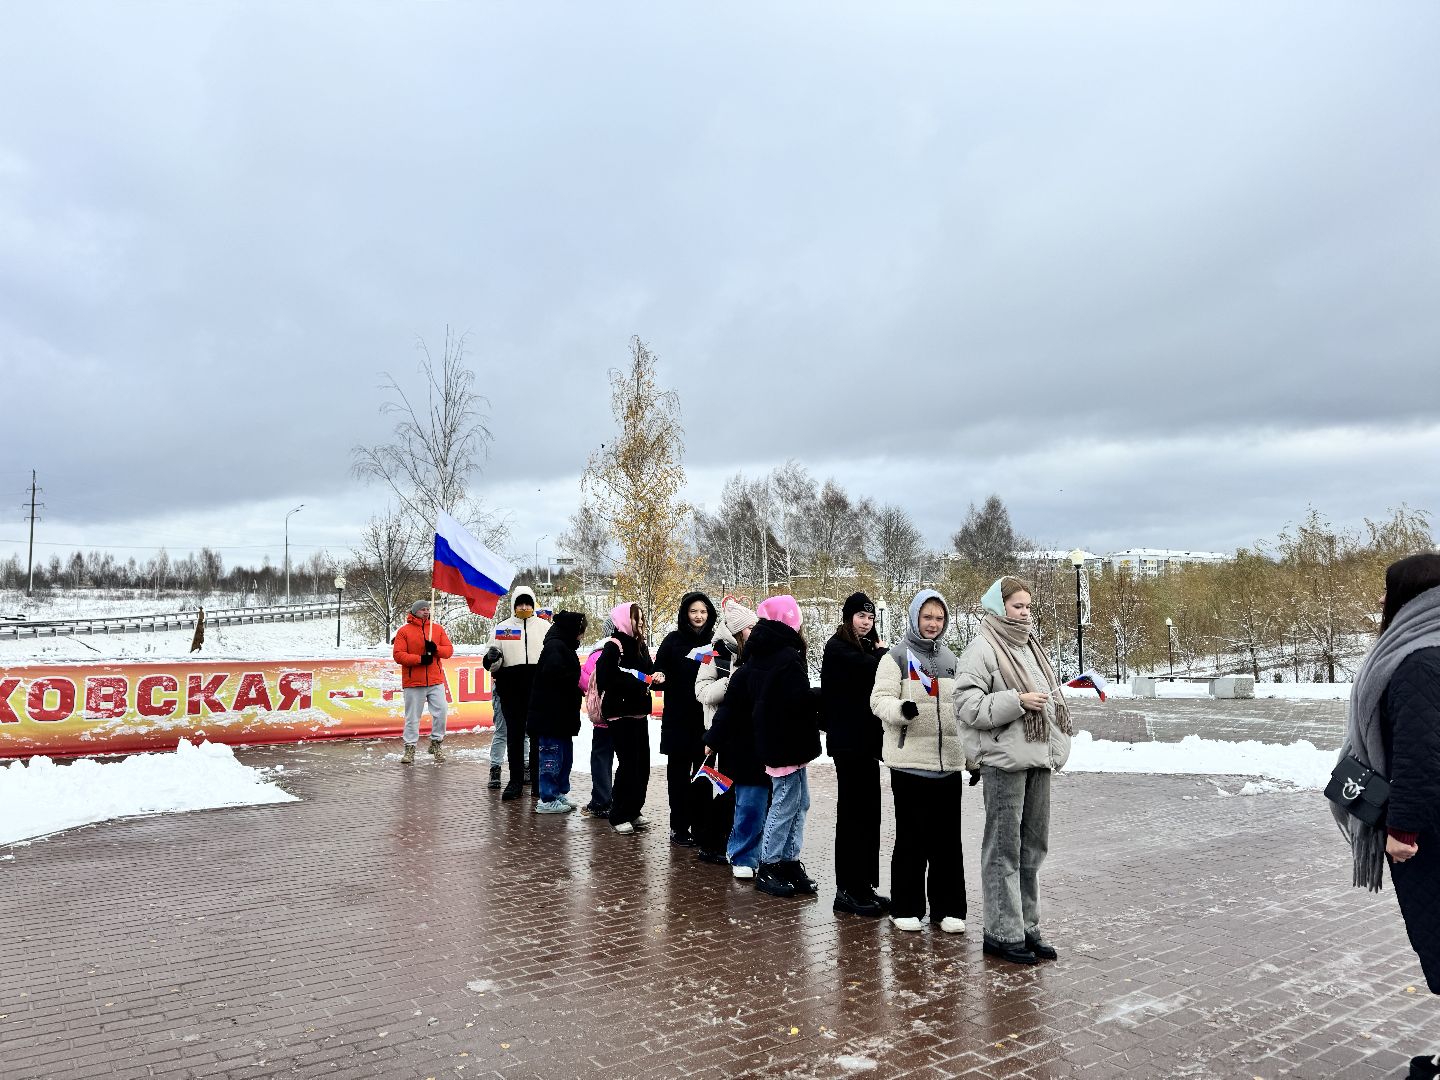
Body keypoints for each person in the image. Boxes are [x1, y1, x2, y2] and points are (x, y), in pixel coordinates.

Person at [1332, 553, 1440, 1079]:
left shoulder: (1420, 659)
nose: (1381, 600)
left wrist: (1400, 831)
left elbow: (1420, 759)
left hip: (1430, 836)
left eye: (1387, 589)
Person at [955, 576, 1072, 965]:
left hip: (1038, 759)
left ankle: (1027, 925)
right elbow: (968, 706)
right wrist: (1016, 700)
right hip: (1005, 763)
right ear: (998, 607)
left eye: (1028, 607)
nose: (1025, 613)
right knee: (1003, 849)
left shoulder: (1031, 648)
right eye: (1018, 606)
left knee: (1033, 847)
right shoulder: (982, 648)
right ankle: (1001, 932)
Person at [869, 589, 968, 934]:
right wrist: (901, 711)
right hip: (910, 763)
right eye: (927, 617)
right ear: (915, 617)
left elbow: (962, 713)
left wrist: (971, 758)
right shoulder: (894, 658)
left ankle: (948, 910)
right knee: (912, 838)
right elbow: (879, 700)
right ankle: (906, 907)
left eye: (939, 618)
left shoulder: (952, 660)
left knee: (947, 842)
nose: (933, 624)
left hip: (948, 766)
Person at [823, 592, 891, 918]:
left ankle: (864, 885)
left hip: (866, 745)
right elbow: (867, 670)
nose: (866, 622)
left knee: (869, 814)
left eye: (871, 618)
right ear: (848, 617)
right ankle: (847, 889)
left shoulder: (865, 648)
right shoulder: (837, 648)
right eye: (861, 616)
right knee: (852, 815)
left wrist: (879, 652)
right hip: (848, 745)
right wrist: (883, 653)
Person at [751, 595, 822, 899]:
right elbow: (795, 700)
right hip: (785, 740)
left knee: (799, 801)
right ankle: (769, 864)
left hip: (784, 739)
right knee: (784, 803)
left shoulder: (769, 650)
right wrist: (823, 696)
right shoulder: (785, 655)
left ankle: (789, 860)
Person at [695, 597, 759, 868]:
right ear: (736, 630)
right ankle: (713, 843)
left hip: (746, 732)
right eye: (748, 628)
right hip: (721, 732)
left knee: (740, 793)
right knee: (722, 791)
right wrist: (730, 682)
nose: (752, 633)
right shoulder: (713, 654)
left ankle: (734, 841)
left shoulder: (754, 652)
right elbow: (701, 691)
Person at [655, 591, 719, 850]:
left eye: (703, 611)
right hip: (678, 720)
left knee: (705, 773)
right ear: (685, 614)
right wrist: (658, 676)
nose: (699, 616)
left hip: (706, 720)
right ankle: (679, 826)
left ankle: (702, 824)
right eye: (694, 611)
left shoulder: (717, 642)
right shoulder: (672, 641)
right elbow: (656, 671)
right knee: (679, 776)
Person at [596, 601, 666, 834]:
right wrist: (637, 682)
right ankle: (619, 814)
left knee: (641, 764)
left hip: (638, 712)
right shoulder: (613, 646)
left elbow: (648, 669)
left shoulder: (640, 645)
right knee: (627, 764)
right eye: (636, 618)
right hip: (619, 714)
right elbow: (606, 678)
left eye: (643, 618)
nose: (641, 622)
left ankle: (634, 810)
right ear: (625, 620)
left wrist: (656, 675)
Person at [484, 586, 546, 801]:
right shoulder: (503, 628)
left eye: (528, 603)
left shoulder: (545, 628)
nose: (524, 607)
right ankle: (515, 781)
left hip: (538, 692)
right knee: (515, 737)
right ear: (513, 605)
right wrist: (491, 658)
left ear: (534, 604)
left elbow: (553, 656)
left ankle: (539, 783)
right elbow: (492, 661)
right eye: (520, 603)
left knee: (537, 737)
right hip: (511, 692)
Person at [529, 610, 588, 814]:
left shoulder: (564, 645)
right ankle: (547, 797)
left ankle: (559, 791)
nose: (581, 636)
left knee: (564, 757)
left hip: (562, 716)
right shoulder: (555, 646)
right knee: (551, 757)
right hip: (550, 716)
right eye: (581, 631)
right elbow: (556, 676)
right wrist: (576, 682)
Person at [392, 598, 455, 765]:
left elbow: (448, 651)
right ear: (414, 611)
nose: (426, 611)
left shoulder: (437, 629)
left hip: (435, 681)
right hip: (414, 682)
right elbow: (398, 655)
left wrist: (436, 649)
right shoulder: (404, 631)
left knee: (441, 711)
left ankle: (436, 743)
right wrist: (420, 659)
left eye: (428, 609)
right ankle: (410, 748)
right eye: (423, 609)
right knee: (412, 717)